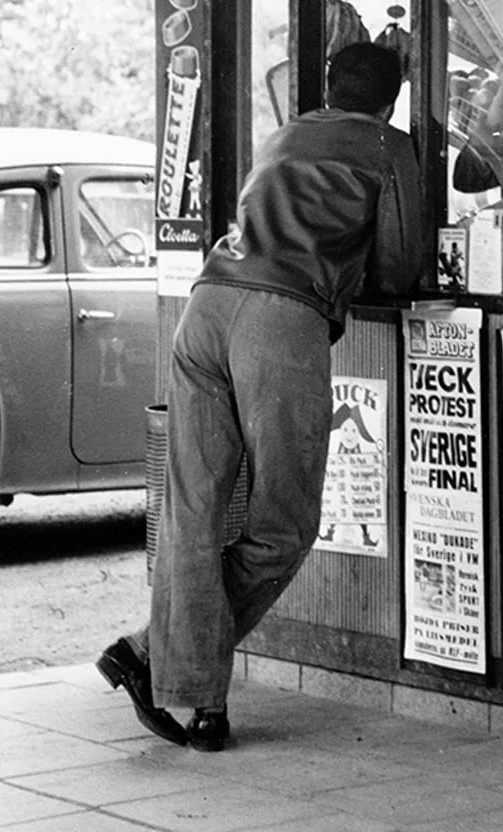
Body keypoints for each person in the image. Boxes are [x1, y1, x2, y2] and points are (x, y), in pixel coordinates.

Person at [97, 42, 426, 753]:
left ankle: (196, 700)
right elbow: (400, 265)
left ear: (328, 86)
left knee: (192, 511)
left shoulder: (284, 133)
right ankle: (154, 655)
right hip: (280, 323)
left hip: (207, 307)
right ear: (392, 99)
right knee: (282, 525)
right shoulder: (386, 145)